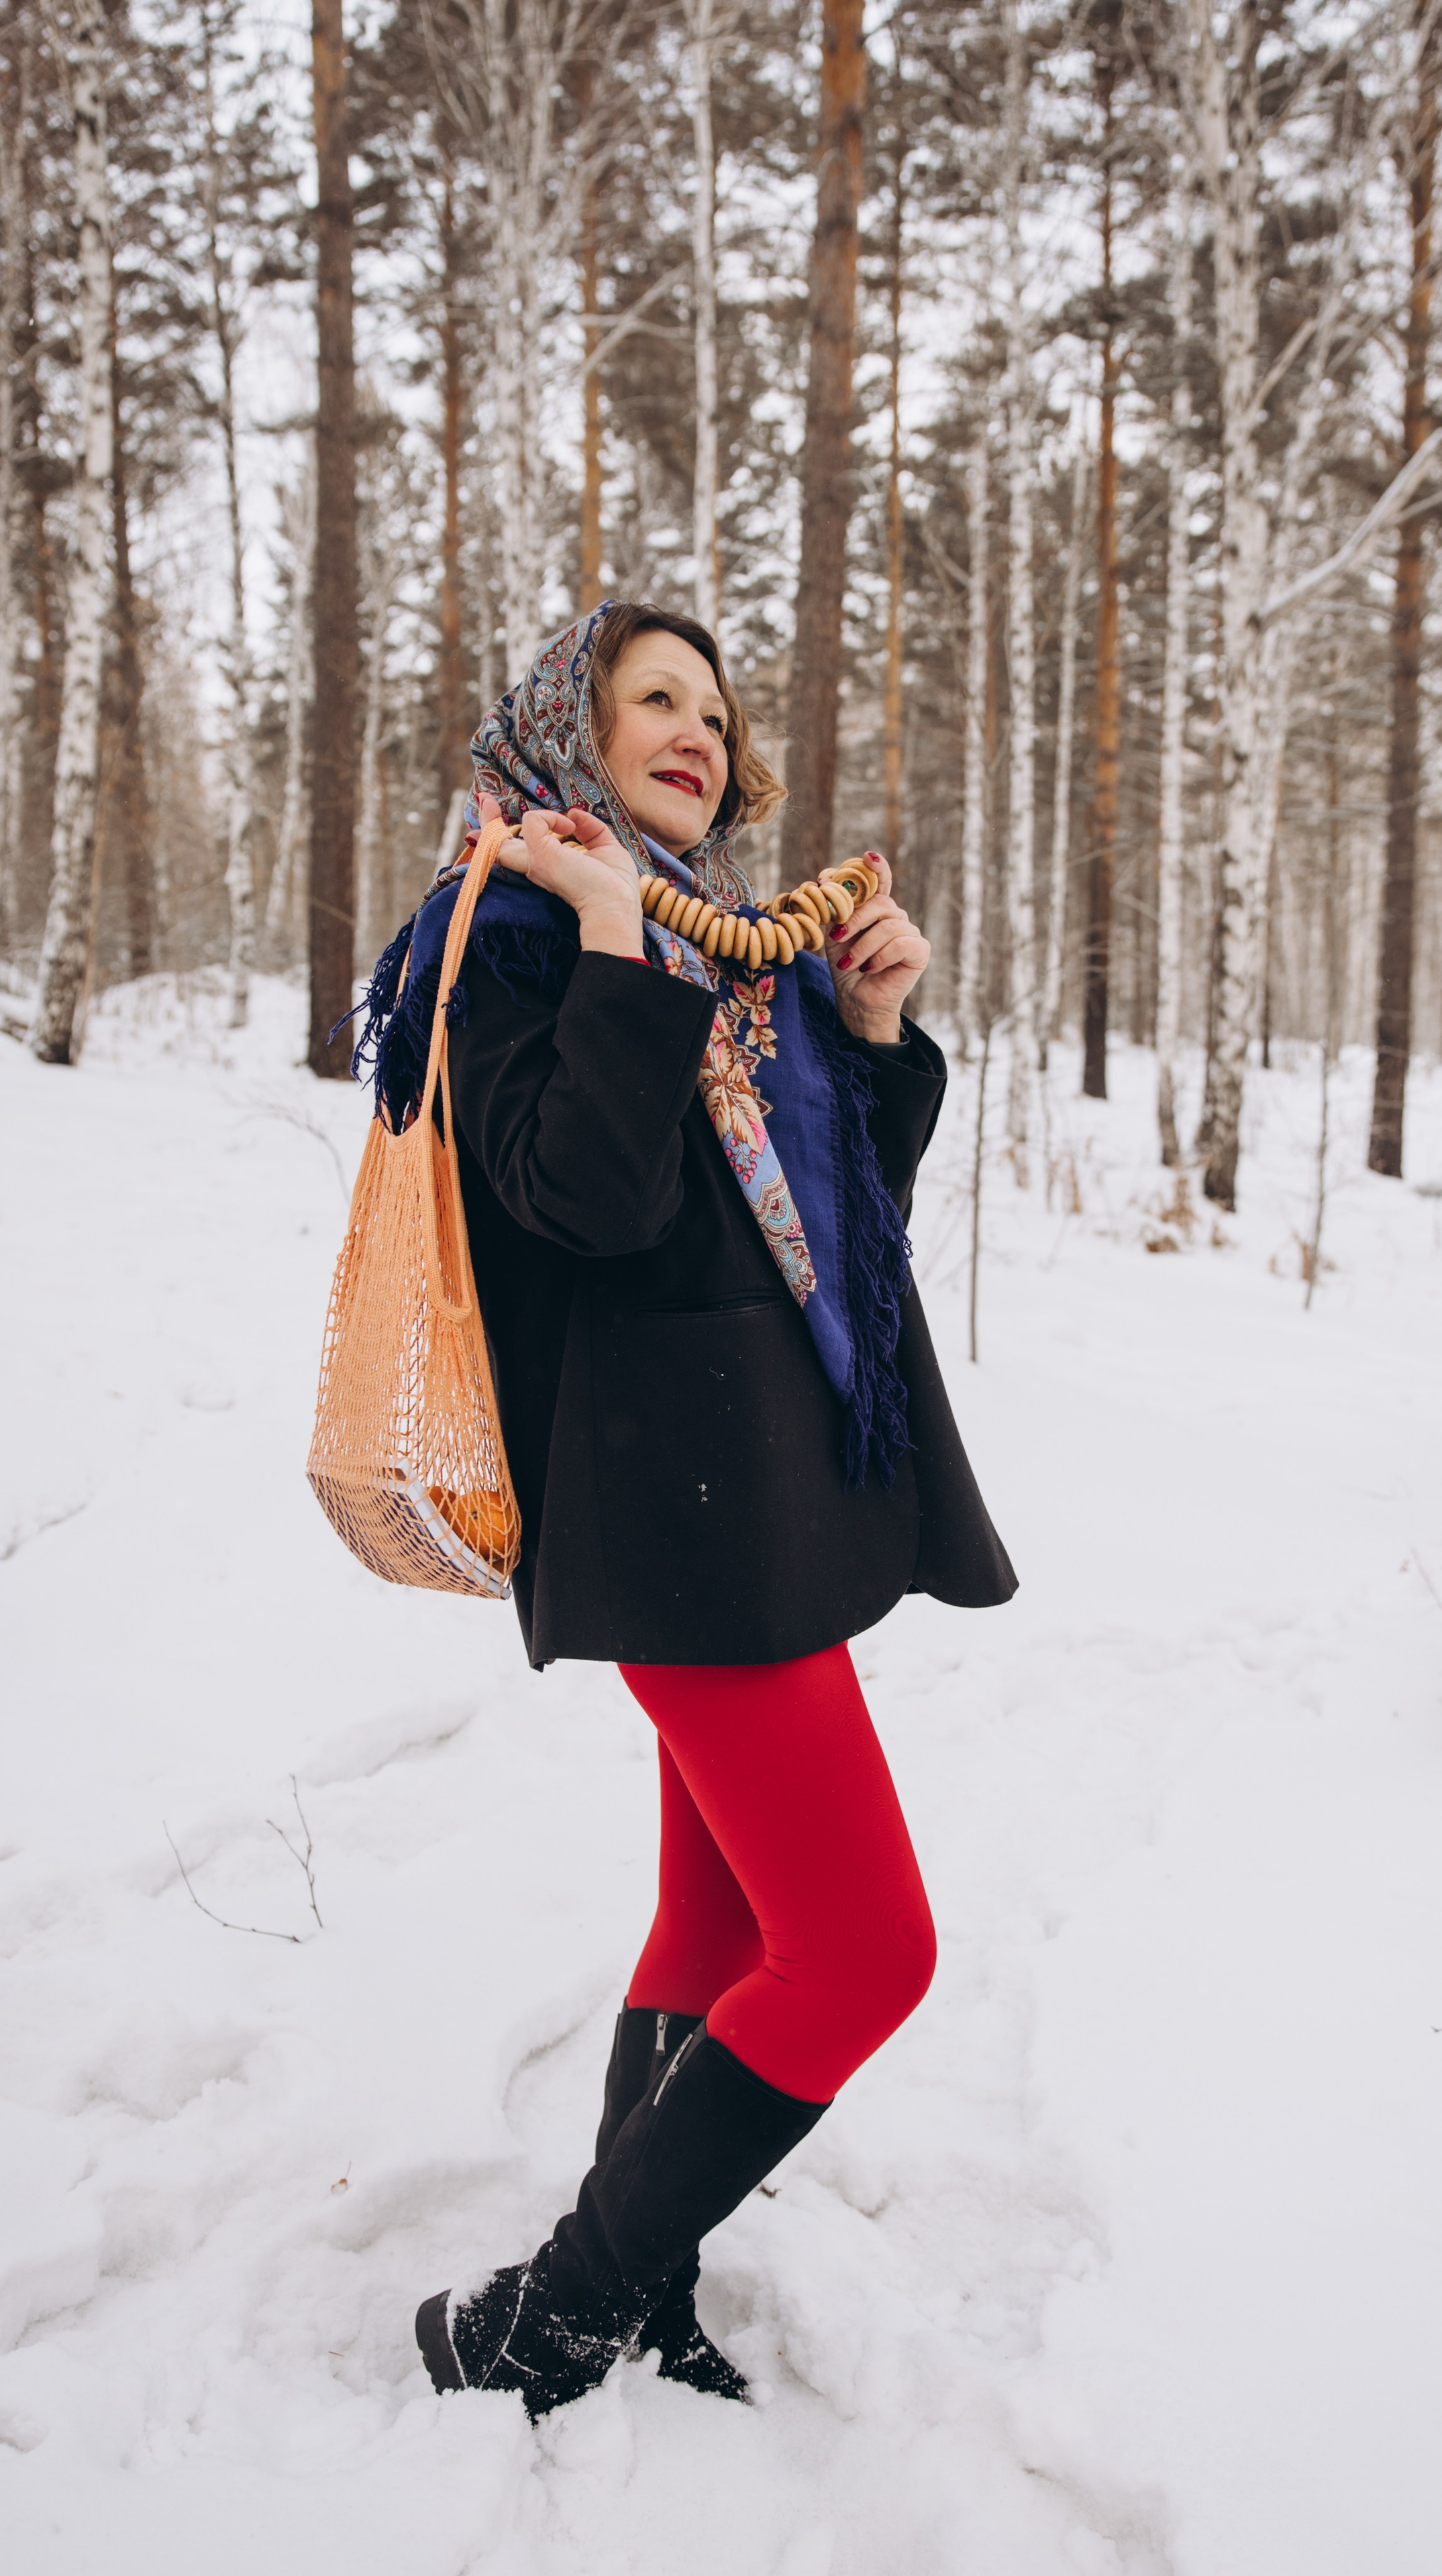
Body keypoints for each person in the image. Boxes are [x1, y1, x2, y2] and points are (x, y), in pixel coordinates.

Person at [358, 599, 1015, 2418]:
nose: (698, 734)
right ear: (566, 724)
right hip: (669, 1509)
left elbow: (828, 1238)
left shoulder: (722, 948)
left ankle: (634, 2284)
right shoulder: (496, 935)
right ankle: (547, 2314)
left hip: (767, 1496)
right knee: (871, 1948)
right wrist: (607, 945)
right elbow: (581, 1203)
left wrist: (874, 1032)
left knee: (724, 1934)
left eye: (718, 711)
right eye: (655, 698)